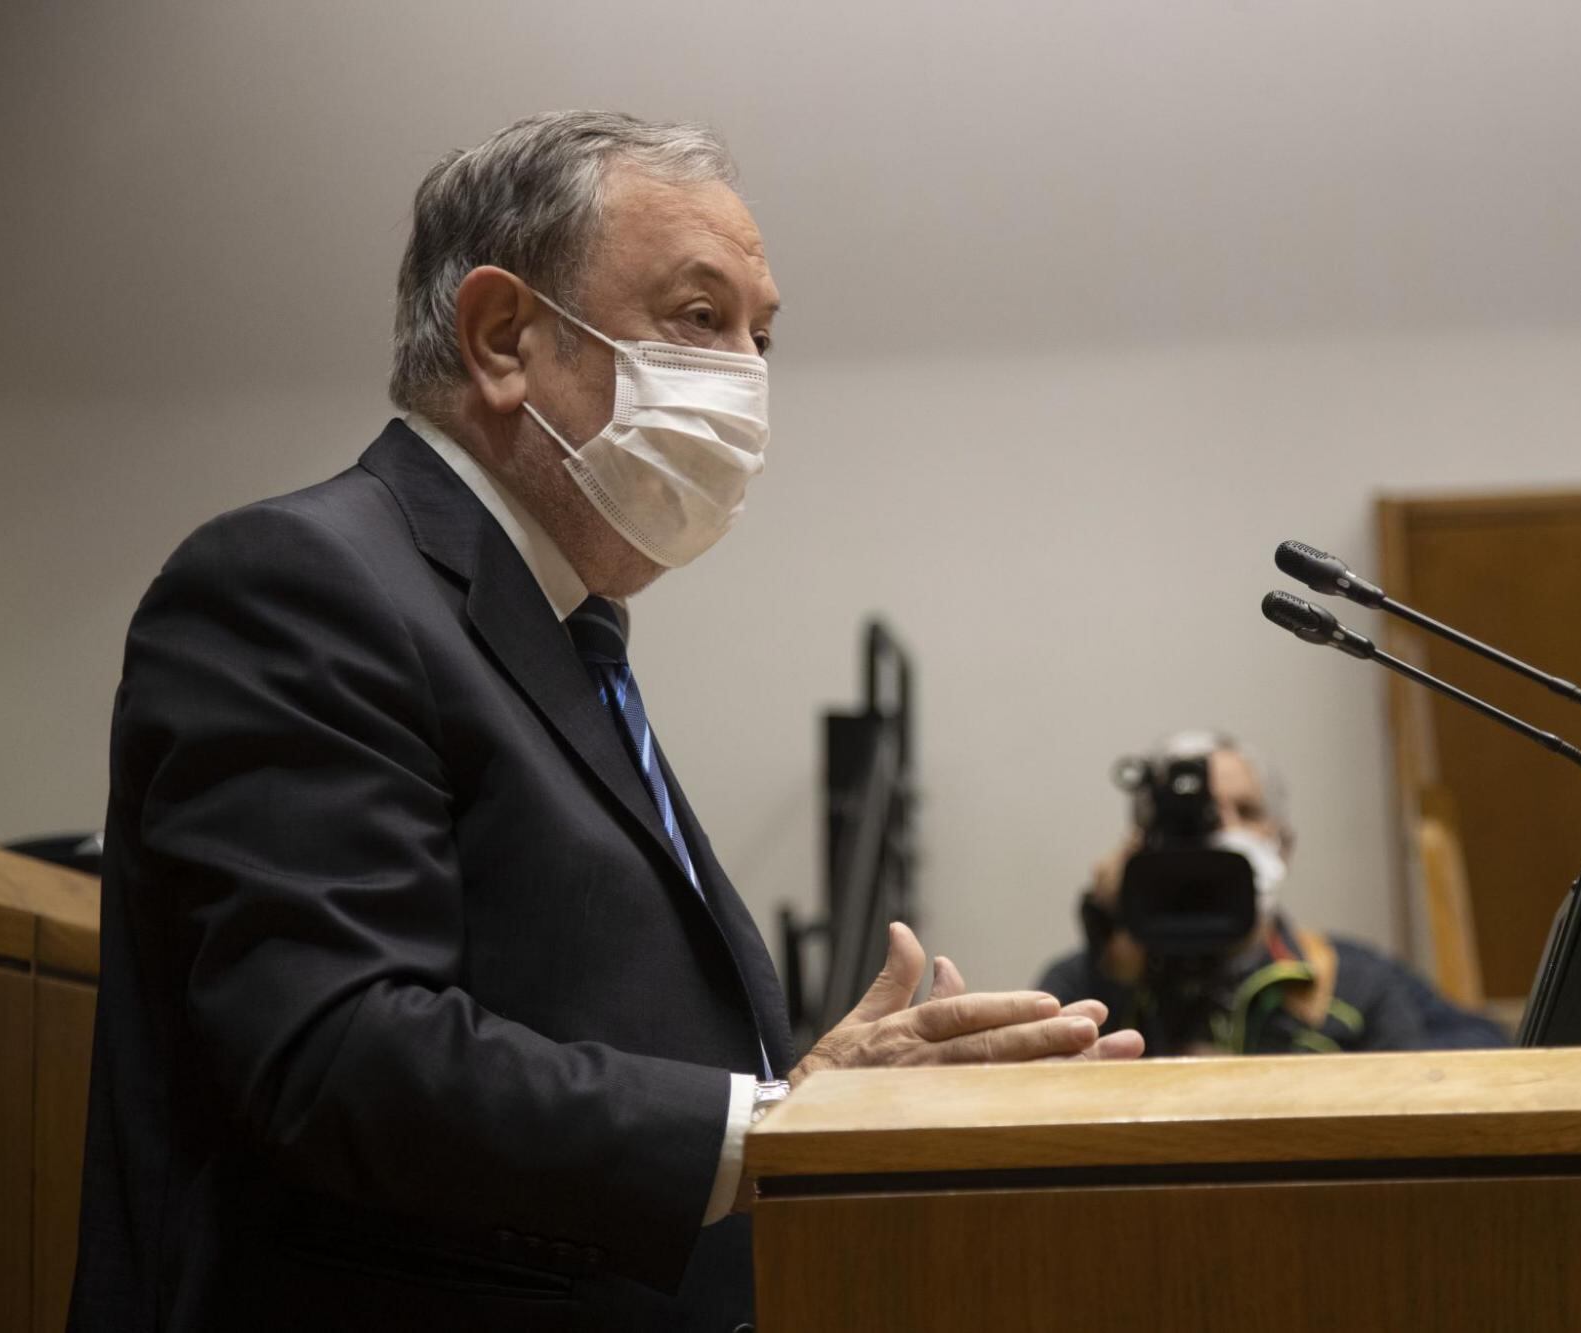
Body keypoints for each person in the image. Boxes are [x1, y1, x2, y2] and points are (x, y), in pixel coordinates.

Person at [68, 111, 1140, 1333]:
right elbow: (339, 1055)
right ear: (501, 337)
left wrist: (820, 1102)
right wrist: (779, 1122)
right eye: (699, 319)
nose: (745, 377)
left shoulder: (570, 634)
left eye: (761, 335)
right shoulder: (299, 581)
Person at [1037, 731, 1506, 1056]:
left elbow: (1487, 1058)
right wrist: (1108, 943)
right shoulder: (1084, 981)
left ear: (1284, 845)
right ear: (1135, 843)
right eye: (1195, 820)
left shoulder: (1351, 981)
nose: (1221, 833)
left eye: (1244, 810)